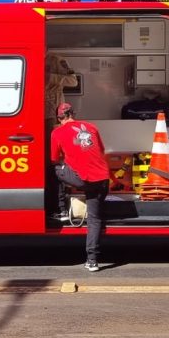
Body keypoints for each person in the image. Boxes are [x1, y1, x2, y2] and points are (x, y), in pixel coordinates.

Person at [50, 103, 110, 272]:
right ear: (72, 114)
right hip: (103, 179)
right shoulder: (91, 127)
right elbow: (101, 150)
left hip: (83, 179)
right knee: (94, 219)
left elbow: (54, 158)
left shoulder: (57, 132)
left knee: (54, 169)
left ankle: (61, 210)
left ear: (59, 118)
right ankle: (92, 261)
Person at [44, 54, 79, 217]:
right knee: (56, 163)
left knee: (49, 161)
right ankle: (59, 206)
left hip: (44, 119)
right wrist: (67, 67)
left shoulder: (43, 75)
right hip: (54, 120)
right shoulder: (55, 78)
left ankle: (55, 205)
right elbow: (74, 81)